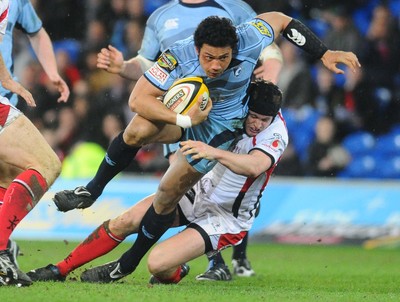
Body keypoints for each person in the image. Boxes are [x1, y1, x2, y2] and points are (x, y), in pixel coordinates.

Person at [51, 11, 360, 283]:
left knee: (167, 191)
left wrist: (323, 52)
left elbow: (281, 19)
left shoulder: (251, 37)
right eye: (208, 57)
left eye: (222, 58)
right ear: (197, 48)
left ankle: (127, 264)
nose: (214, 66)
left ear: (234, 49)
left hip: (221, 131)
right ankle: (92, 190)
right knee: (138, 127)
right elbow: (137, 99)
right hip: (189, 117)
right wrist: (182, 119)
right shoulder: (177, 54)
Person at [27, 80, 288, 284]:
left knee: (158, 264)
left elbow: (254, 166)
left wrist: (213, 152)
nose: (257, 124)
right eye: (253, 116)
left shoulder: (276, 133)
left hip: (226, 216)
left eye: (264, 120)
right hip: (196, 190)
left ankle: (174, 271)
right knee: (125, 221)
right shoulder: (230, 108)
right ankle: (60, 268)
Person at [0, 0, 70, 265]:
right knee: (46, 165)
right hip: (1, 97)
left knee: (8, 182)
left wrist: (51, 72)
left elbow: (36, 32)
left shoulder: (18, 3)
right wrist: (6, 78)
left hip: (7, 100)